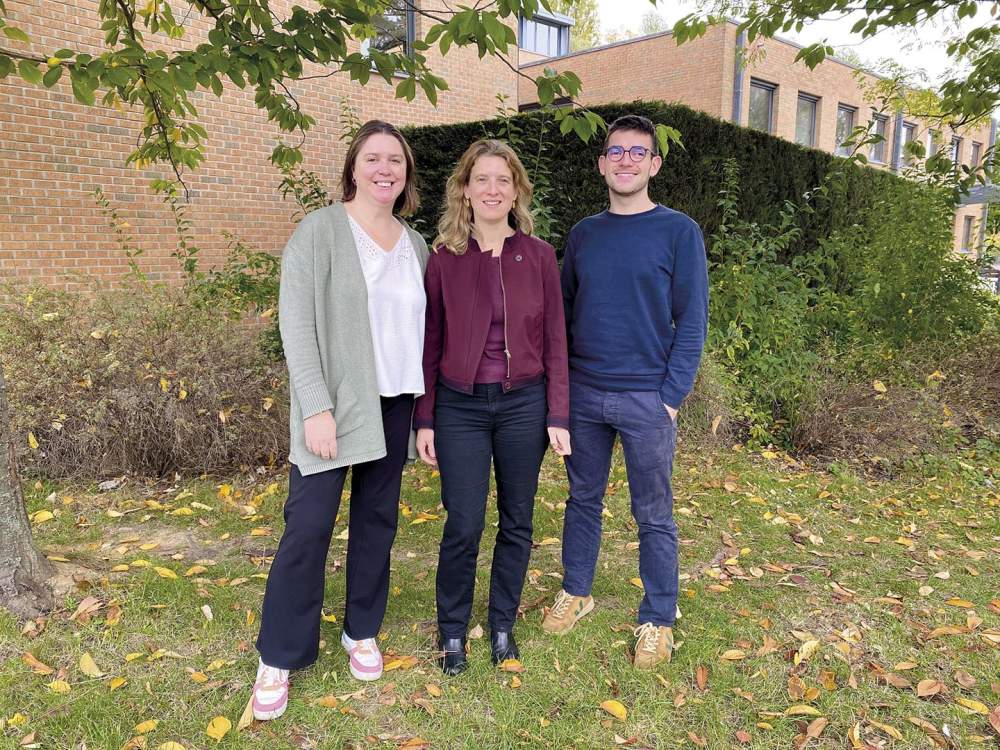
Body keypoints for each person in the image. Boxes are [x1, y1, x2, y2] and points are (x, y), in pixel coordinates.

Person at [251, 120, 429, 720]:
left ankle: (361, 630)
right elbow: (295, 324)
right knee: (308, 528)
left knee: (376, 523)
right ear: (354, 167)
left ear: (406, 175)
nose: (385, 169)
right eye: (374, 158)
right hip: (334, 406)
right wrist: (316, 405)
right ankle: (279, 652)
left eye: (395, 161)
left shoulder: (416, 243)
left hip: (395, 404)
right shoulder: (320, 231)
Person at [541, 114, 709, 670]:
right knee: (582, 499)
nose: (626, 161)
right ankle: (577, 590)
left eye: (638, 153)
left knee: (653, 513)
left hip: (647, 400)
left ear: (654, 164)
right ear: (602, 163)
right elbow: (562, 316)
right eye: (617, 152)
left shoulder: (678, 231)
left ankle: (658, 618)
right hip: (586, 393)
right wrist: (561, 394)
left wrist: (671, 395)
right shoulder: (585, 234)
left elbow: (692, 319)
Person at [414, 139, 571, 676]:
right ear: (465, 188)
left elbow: (555, 341)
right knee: (463, 521)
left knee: (518, 519)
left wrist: (557, 413)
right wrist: (426, 417)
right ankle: (452, 628)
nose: (492, 189)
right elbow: (430, 342)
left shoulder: (540, 256)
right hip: (459, 407)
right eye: (482, 178)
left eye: (503, 180)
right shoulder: (444, 260)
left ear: (516, 190)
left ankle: (503, 621)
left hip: (523, 405)